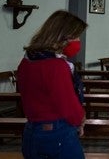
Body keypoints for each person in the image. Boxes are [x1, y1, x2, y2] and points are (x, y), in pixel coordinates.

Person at [17, 10, 88, 159]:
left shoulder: (27, 61)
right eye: (75, 36)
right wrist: (80, 119)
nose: (78, 40)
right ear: (63, 37)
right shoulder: (56, 66)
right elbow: (67, 104)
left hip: (31, 130)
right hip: (56, 134)